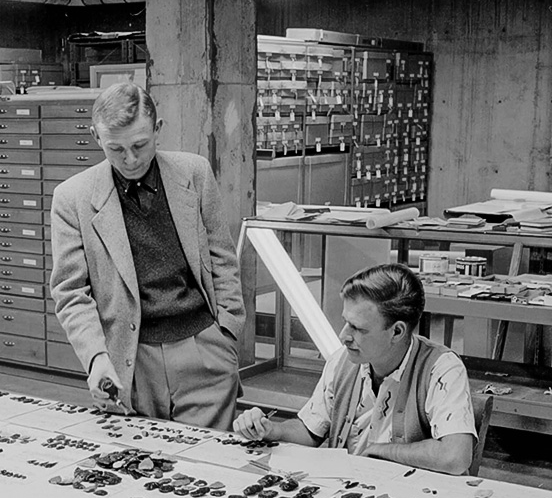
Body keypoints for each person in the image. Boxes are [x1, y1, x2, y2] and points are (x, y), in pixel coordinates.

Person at [50, 82, 245, 430]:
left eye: (140, 145)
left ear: (158, 128)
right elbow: (70, 293)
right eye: (116, 149)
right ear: (96, 137)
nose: (131, 159)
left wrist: (226, 335)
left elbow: (223, 260)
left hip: (204, 350)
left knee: (213, 468)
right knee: (137, 470)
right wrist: (97, 360)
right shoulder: (72, 198)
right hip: (128, 358)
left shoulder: (195, 174)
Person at [233, 263, 477, 475]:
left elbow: (455, 457)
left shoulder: (441, 369)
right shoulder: (342, 361)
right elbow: (310, 429)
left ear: (397, 331)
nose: (343, 336)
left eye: (358, 328)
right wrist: (270, 429)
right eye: (345, 322)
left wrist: (380, 451)